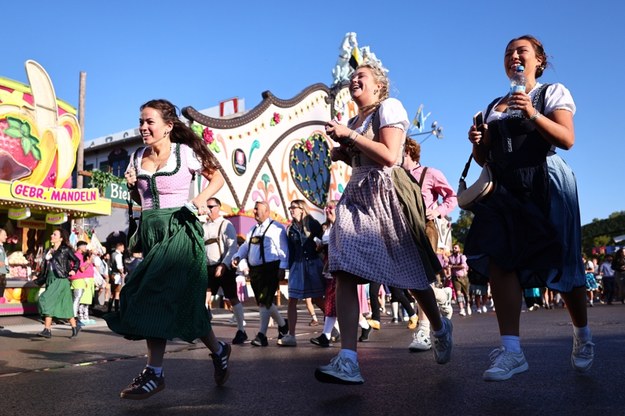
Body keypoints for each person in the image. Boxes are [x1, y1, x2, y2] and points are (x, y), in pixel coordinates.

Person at [315, 62, 452, 385]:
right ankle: (348, 359)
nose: (353, 81)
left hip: (386, 193)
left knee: (411, 275)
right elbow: (363, 155)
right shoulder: (354, 120)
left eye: (360, 76)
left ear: (379, 86)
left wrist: (349, 137)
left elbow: (390, 155)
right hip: (357, 194)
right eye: (352, 78)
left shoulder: (389, 108)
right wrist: (344, 154)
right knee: (343, 268)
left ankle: (438, 325)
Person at [466, 35, 594, 381]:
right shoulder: (495, 104)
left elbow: (566, 139)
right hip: (506, 187)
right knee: (499, 257)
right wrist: (479, 143)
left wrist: (533, 112)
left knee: (564, 263)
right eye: (508, 53)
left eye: (521, 51)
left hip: (545, 180)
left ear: (539, 60)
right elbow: (485, 159)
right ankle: (511, 350)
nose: (513, 57)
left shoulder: (550, 92)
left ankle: (582, 334)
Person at [104, 99, 230, 399]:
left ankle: (154, 373)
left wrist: (201, 200)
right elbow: (139, 196)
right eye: (141, 121)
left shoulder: (185, 153)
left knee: (151, 292)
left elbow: (218, 177)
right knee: (184, 304)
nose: (143, 127)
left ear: (168, 126)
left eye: (150, 121)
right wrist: (133, 185)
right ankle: (219, 349)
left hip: (180, 230)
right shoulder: (137, 156)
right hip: (153, 233)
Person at [402, 138, 456, 351]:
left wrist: (438, 211)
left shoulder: (430, 173)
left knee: (421, 279)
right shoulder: (396, 176)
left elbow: (452, 197)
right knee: (409, 281)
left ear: (407, 151)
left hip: (425, 228)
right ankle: (443, 295)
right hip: (403, 230)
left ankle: (424, 331)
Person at [232, 201, 289, 347]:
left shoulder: (276, 228)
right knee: (264, 302)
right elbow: (246, 246)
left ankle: (261, 335)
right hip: (255, 271)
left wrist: (282, 267)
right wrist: (238, 256)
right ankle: (283, 325)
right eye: (254, 209)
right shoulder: (252, 230)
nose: (254, 212)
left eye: (257, 209)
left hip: (270, 270)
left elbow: (283, 249)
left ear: (267, 211)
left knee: (264, 301)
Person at [279, 199, 325, 347]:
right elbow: (290, 251)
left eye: (293, 207)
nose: (291, 210)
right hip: (297, 266)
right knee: (292, 299)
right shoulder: (290, 229)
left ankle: (333, 328)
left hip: (313, 263)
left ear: (302, 209)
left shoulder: (313, 224)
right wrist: (287, 268)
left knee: (318, 298)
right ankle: (291, 335)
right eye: (290, 207)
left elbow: (323, 243)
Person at [203, 197, 246, 345]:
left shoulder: (226, 224)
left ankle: (241, 330)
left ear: (218, 207)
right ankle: (203, 330)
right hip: (208, 267)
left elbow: (233, 247)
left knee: (232, 298)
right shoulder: (204, 226)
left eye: (211, 207)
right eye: (207, 207)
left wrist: (224, 265)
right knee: (204, 298)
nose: (208, 210)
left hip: (224, 267)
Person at [34, 228, 81, 339]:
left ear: (61, 238)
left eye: (55, 234)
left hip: (60, 279)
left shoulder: (65, 249)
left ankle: (47, 329)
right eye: (52, 234)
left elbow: (77, 260)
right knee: (64, 304)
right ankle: (73, 327)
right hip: (50, 279)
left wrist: (74, 269)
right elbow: (46, 267)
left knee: (45, 299)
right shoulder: (48, 250)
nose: (52, 236)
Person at [310, 201, 340, 347]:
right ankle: (325, 335)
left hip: (340, 267)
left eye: (331, 208)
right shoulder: (327, 228)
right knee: (331, 300)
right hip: (330, 265)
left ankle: (327, 335)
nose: (327, 211)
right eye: (326, 208)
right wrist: (320, 245)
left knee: (339, 301)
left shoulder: (342, 225)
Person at [71, 241, 96, 325]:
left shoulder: (82, 256)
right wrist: (88, 262)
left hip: (83, 279)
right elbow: (82, 268)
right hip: (79, 278)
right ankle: (76, 317)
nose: (86, 248)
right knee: (78, 299)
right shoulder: (77, 255)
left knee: (84, 299)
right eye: (84, 247)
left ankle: (83, 316)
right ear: (80, 247)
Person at [449, 244, 471, 316]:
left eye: (456, 248)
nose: (454, 249)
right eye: (453, 248)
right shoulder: (451, 257)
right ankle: (461, 309)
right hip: (455, 277)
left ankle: (468, 305)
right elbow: (448, 265)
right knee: (458, 293)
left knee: (466, 294)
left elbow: (463, 266)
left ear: (459, 249)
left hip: (463, 277)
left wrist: (453, 266)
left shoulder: (462, 256)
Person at [107, 242, 125, 313]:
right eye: (123, 247)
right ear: (119, 247)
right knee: (117, 292)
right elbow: (119, 266)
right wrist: (122, 272)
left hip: (112, 274)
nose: (123, 249)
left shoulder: (112, 254)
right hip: (117, 275)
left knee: (112, 293)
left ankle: (109, 309)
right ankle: (116, 310)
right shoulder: (118, 255)